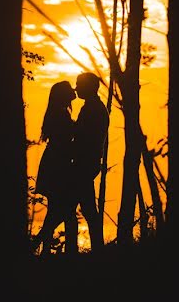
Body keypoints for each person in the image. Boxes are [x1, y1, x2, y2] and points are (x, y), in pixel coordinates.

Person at [31, 80, 78, 254]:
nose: (74, 91)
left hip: (55, 163)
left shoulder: (58, 113)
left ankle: (41, 247)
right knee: (64, 211)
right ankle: (42, 247)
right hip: (58, 165)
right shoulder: (61, 114)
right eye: (69, 90)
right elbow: (64, 142)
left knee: (58, 210)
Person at [71, 72, 108, 251]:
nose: (76, 88)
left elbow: (84, 137)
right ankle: (97, 249)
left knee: (76, 208)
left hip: (85, 163)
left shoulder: (93, 109)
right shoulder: (92, 107)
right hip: (87, 163)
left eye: (79, 84)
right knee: (86, 209)